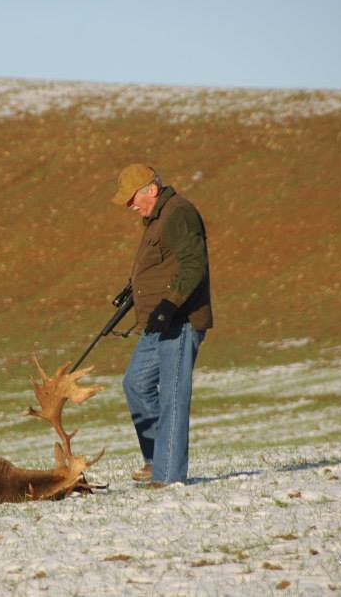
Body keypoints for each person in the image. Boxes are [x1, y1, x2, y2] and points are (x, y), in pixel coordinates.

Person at [111, 163, 212, 486]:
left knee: (172, 395)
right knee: (136, 384)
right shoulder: (156, 219)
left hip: (179, 320)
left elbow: (194, 263)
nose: (130, 206)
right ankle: (156, 459)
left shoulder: (177, 213)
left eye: (132, 199)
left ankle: (169, 475)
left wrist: (170, 303)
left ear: (150, 190)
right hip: (157, 322)